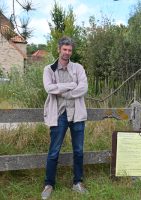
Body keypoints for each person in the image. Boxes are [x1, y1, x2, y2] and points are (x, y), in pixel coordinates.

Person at [41, 36, 88, 199]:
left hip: (77, 115)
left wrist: (63, 92)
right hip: (59, 115)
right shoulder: (49, 69)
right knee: (54, 151)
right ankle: (49, 184)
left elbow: (83, 87)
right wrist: (70, 86)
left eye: (70, 50)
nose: (67, 52)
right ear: (59, 49)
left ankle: (77, 183)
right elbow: (49, 87)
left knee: (79, 151)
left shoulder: (78, 68)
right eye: (64, 49)